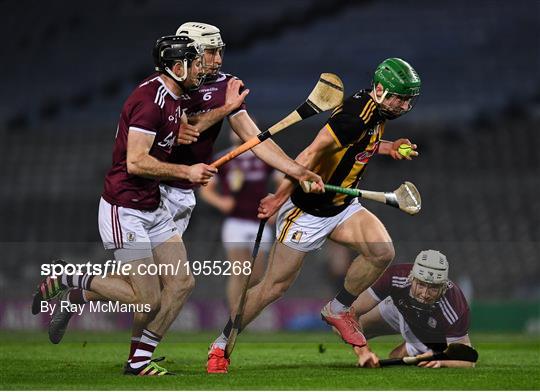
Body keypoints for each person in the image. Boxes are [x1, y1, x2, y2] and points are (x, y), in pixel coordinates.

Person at [44, 22, 323, 368]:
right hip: (146, 188)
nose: (218, 59)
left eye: (221, 50)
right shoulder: (163, 92)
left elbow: (254, 139)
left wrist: (295, 171)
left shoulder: (222, 86)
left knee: (172, 286)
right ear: (186, 54)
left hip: (178, 194)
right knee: (148, 294)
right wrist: (218, 115)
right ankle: (87, 300)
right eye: (210, 51)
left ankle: (127, 347)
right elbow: (172, 137)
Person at [207, 57, 422, 373]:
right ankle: (220, 345)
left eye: (408, 99)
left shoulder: (377, 112)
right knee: (272, 288)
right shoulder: (354, 115)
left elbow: (359, 144)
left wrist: (388, 147)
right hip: (305, 212)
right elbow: (308, 154)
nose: (403, 105)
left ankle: (338, 309)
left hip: (342, 207)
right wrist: (279, 199)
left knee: (381, 251)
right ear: (379, 89)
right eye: (399, 97)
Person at [33, 35, 215, 376]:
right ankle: (69, 277)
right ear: (177, 68)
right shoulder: (150, 101)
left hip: (152, 204)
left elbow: (159, 140)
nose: (200, 69)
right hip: (125, 208)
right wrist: (186, 170)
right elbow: (135, 162)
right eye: (195, 63)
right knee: (147, 298)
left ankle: (138, 361)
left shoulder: (175, 97)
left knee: (182, 283)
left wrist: (181, 138)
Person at [199, 129, 279, 310]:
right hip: (235, 222)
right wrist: (221, 202)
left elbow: (283, 184)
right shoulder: (223, 159)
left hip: (260, 222)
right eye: (235, 130)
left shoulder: (265, 157)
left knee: (256, 275)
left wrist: (277, 207)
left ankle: (247, 312)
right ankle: (233, 316)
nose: (239, 134)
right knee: (239, 272)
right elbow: (206, 190)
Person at [352, 250, 475, 368]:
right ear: (411, 278)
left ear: (443, 287)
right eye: (421, 285)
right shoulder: (395, 277)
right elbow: (350, 313)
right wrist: (364, 351)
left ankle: (414, 345)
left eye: (433, 288)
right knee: (342, 327)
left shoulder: (454, 304)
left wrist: (441, 360)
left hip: (429, 337)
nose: (425, 294)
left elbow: (467, 360)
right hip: (398, 309)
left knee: (395, 355)